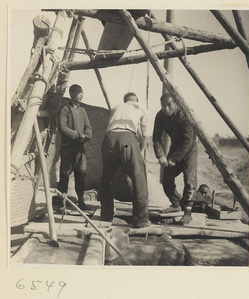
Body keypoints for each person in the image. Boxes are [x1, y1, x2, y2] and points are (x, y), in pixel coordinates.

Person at [98, 92, 151, 228]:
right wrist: (137, 151)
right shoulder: (140, 107)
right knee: (139, 177)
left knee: (107, 177)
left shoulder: (116, 107)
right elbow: (145, 136)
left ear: (124, 100)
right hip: (127, 137)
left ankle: (106, 215)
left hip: (109, 139)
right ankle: (141, 219)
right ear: (136, 100)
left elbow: (110, 128)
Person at [152, 92, 197, 224]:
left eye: (169, 105)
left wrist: (174, 159)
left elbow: (188, 140)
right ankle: (176, 203)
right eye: (163, 106)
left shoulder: (185, 115)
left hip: (190, 148)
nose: (166, 109)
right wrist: (160, 155)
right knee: (166, 178)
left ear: (176, 104)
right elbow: (156, 137)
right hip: (176, 146)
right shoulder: (160, 116)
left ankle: (188, 213)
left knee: (190, 180)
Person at [56, 84, 92, 210]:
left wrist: (87, 136)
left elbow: (88, 127)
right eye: (78, 92)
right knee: (65, 174)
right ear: (71, 94)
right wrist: (78, 135)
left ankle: (81, 201)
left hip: (80, 149)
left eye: (82, 92)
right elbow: (62, 128)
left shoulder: (82, 111)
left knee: (81, 173)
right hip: (68, 147)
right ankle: (62, 202)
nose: (81, 95)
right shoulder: (65, 110)